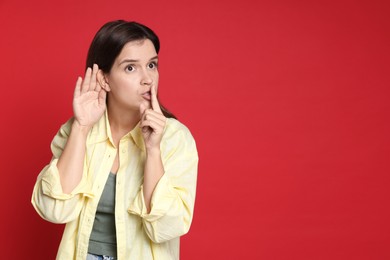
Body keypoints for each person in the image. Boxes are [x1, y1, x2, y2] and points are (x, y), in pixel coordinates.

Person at [31, 20, 198, 260]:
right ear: (104, 79)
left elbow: (166, 228)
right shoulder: (77, 130)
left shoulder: (175, 139)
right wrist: (81, 127)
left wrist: (153, 151)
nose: (148, 79)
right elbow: (54, 210)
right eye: (131, 68)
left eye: (152, 65)